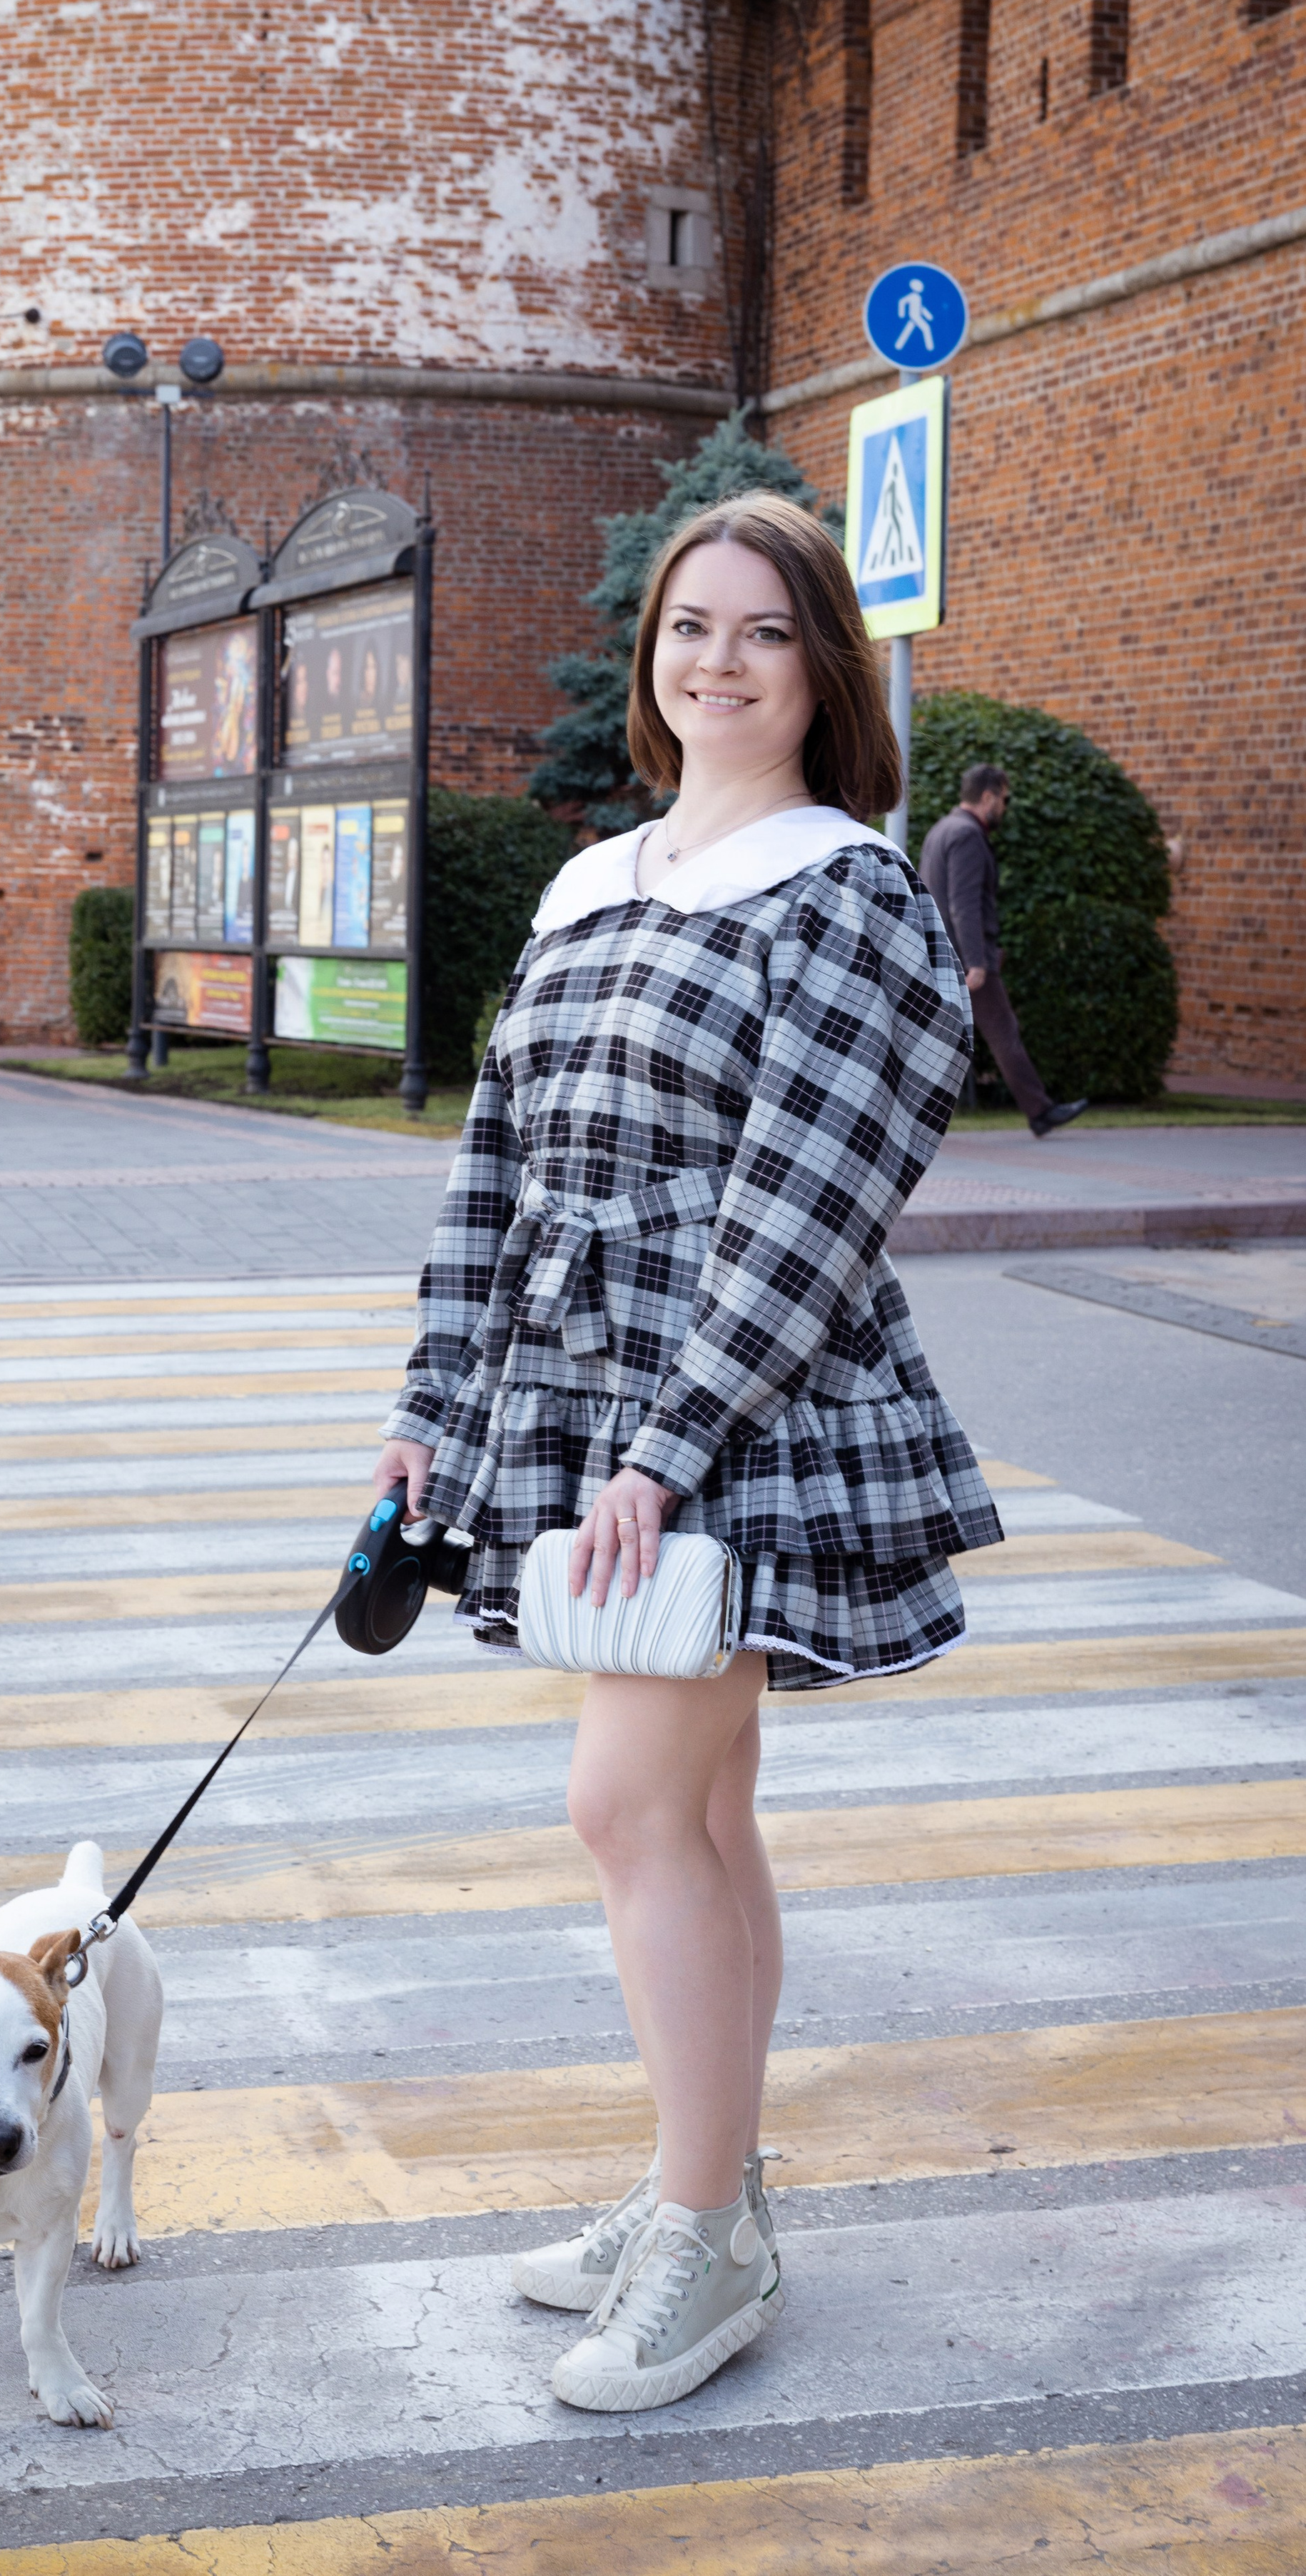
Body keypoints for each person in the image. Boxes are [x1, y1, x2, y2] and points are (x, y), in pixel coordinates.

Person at [372, 492, 1002, 2415]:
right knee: (704, 1817)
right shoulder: (597, 885)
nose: (716, 661)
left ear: (825, 668)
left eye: (763, 632)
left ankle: (709, 2240)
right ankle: (694, 2190)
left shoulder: (849, 895)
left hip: (745, 1406)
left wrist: (669, 1436)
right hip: (593, 1406)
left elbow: (813, 1200)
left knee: (625, 1810)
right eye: (688, 627)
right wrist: (430, 1400)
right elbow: (502, 1162)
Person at [918, 765, 1087, 1137]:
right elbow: (964, 904)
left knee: (936, 1039)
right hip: (966, 960)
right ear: (989, 797)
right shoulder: (966, 835)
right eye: (1005, 800)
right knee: (1004, 1034)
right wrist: (977, 962)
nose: (1005, 808)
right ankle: (1040, 1111)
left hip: (941, 954)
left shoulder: (941, 830)